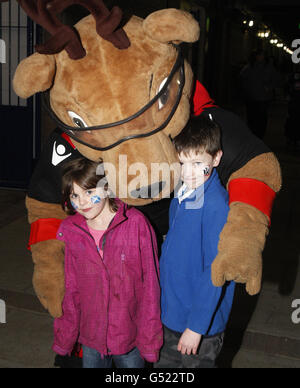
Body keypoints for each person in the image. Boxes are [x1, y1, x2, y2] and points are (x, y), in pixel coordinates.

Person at [52, 157, 163, 368]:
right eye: (74, 195)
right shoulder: (73, 231)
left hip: (129, 337)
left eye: (89, 192)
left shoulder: (136, 224)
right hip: (92, 336)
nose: (82, 202)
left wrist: (149, 340)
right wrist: (65, 335)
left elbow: (151, 285)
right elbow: (72, 288)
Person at [155, 115, 235, 368]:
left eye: (198, 163)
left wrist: (196, 327)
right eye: (182, 163)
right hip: (173, 314)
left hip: (200, 325)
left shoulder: (216, 206)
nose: (188, 173)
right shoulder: (182, 193)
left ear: (217, 158)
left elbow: (216, 271)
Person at [239, 50, 280, 139]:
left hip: (264, 97)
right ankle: (252, 133)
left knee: (262, 117)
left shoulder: (269, 67)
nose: (260, 57)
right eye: (259, 55)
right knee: (252, 116)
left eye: (262, 55)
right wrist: (246, 90)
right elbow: (243, 80)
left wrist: (269, 87)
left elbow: (276, 79)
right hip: (251, 97)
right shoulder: (249, 67)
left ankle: (260, 134)